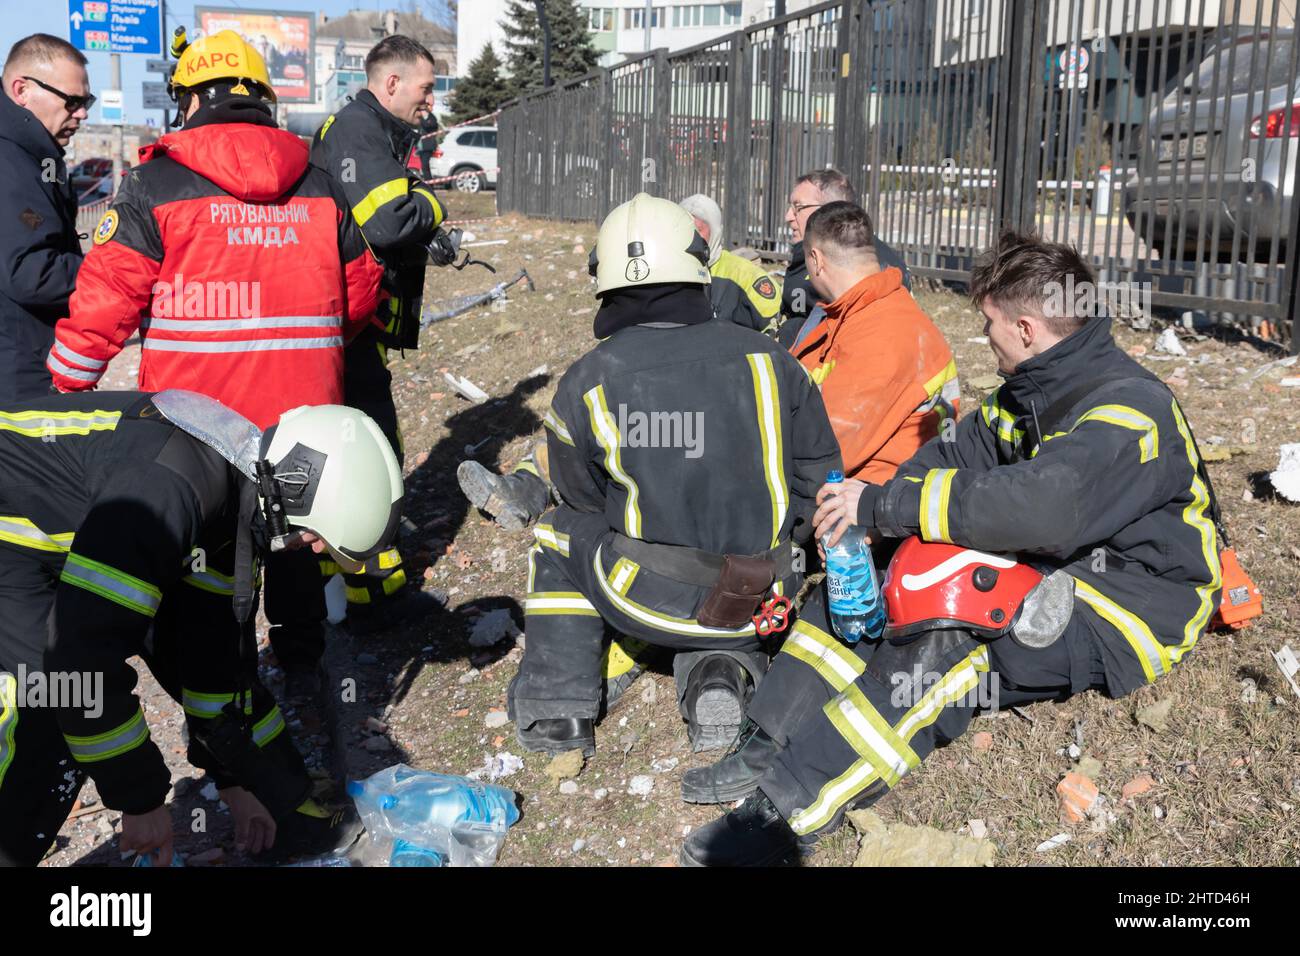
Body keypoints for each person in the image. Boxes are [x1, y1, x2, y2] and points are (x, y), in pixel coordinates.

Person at [679, 231, 1224, 865]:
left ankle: (789, 806)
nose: (984, 341)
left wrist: (888, 507)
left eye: (990, 325)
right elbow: (951, 454)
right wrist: (881, 515)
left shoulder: (1131, 411)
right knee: (867, 572)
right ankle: (768, 738)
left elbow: (1045, 509)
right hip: (1053, 557)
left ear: (1025, 328)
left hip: (1129, 599)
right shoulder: (1034, 392)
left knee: (955, 627)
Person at [46, 29, 385, 698]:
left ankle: (227, 706)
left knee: (211, 576)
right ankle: (306, 675)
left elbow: (103, 306)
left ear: (190, 100)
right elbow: (361, 295)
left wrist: (62, 394)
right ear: (261, 97)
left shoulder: (154, 183)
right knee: (295, 550)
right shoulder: (318, 182)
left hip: (194, 432)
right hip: (305, 424)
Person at [0, 390, 405, 866]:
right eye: (317, 537)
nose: (314, 552)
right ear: (296, 489)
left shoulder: (234, 499)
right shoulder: (168, 490)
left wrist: (243, 782)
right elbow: (82, 654)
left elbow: (210, 664)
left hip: (32, 539)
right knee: (51, 706)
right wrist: (141, 799)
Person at [505, 193, 842, 755]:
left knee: (557, 532)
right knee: (717, 584)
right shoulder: (771, 361)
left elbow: (579, 499)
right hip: (762, 594)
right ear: (697, 268)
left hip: (646, 598)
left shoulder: (586, 382)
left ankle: (557, 713)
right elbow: (821, 471)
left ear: (605, 279)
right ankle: (718, 674)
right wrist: (790, 540)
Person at [311, 35, 450, 630]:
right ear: (390, 83)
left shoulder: (367, 129)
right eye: (425, 88)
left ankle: (372, 587)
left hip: (347, 324)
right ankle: (369, 599)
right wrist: (435, 209)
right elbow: (390, 218)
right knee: (363, 456)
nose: (430, 99)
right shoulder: (357, 131)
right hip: (341, 327)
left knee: (366, 447)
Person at [787, 202, 959, 483]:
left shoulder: (882, 333)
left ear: (816, 260)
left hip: (870, 503)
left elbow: (825, 450)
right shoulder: (851, 313)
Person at [0, 34, 90, 401]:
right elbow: (31, 272)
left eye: (87, 102)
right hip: (18, 375)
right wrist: (110, 269)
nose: (82, 113)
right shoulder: (10, 161)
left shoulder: (30, 155)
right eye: (73, 102)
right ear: (22, 90)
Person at [776, 168, 910, 351]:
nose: (788, 217)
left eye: (798, 208)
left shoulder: (862, 262)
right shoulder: (815, 251)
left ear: (831, 211)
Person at [678, 193, 781, 332]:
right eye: (684, 228)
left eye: (698, 230)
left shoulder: (745, 276)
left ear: (715, 232)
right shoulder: (665, 271)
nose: (691, 235)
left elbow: (775, 326)